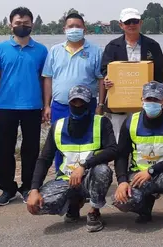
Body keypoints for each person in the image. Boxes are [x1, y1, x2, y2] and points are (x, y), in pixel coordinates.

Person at [26, 85, 117, 232]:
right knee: (38, 205)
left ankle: (94, 211)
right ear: (69, 103)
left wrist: (84, 166)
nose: (78, 105)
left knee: (103, 171)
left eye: (81, 102)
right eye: (74, 102)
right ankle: (73, 204)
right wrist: (34, 189)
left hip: (90, 178)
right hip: (66, 180)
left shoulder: (101, 122)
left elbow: (113, 150)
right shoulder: (58, 126)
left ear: (88, 104)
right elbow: (44, 159)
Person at [112, 81, 163, 227]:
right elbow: (121, 155)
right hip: (138, 176)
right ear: (142, 100)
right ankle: (144, 209)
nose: (151, 102)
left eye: (156, 99)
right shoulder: (130, 122)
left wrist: (152, 171)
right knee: (121, 201)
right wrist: (122, 181)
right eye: (148, 99)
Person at [0, 6, 48, 206]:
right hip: (6, 106)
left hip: (32, 106)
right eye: (18, 23)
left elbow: (44, 80)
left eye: (26, 23)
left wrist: (46, 105)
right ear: (10, 25)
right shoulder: (0, 49)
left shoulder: (41, 50)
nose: (22, 26)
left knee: (31, 150)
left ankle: (28, 187)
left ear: (32, 25)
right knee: (5, 150)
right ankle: (7, 189)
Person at [101, 7, 163, 139]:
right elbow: (104, 69)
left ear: (140, 23)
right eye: (127, 22)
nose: (131, 25)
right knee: (119, 138)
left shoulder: (153, 45)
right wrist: (107, 78)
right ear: (121, 25)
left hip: (146, 102)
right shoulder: (112, 46)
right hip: (119, 102)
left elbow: (160, 71)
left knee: (144, 137)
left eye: (135, 21)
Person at [42, 12, 104, 124]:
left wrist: (100, 105)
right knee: (59, 134)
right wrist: (47, 105)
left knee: (88, 134)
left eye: (78, 26)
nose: (74, 29)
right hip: (60, 106)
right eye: (70, 26)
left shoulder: (96, 51)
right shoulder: (55, 50)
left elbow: (101, 79)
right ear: (64, 29)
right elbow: (48, 78)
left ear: (84, 30)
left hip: (87, 106)